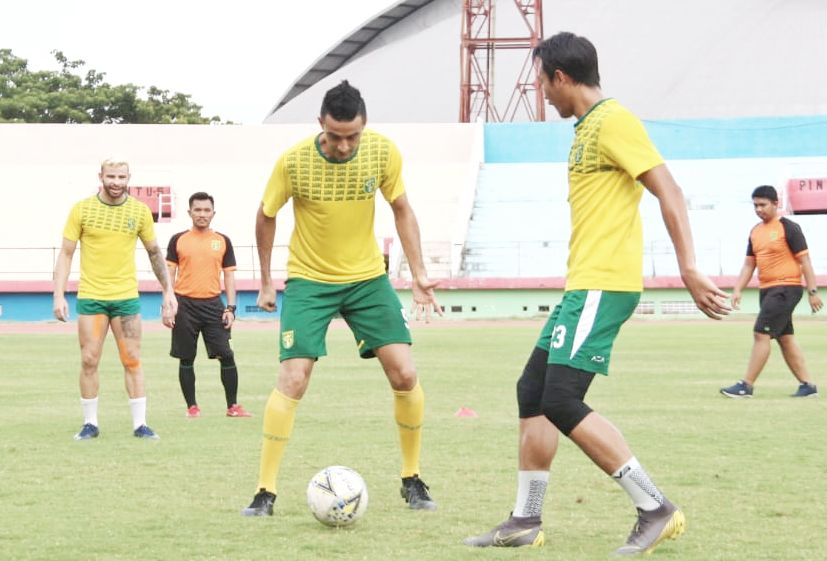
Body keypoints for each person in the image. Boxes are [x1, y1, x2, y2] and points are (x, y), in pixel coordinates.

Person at [463, 32, 731, 556]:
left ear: (561, 77)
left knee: (562, 400)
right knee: (532, 391)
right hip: (582, 284)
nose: (541, 93)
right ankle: (524, 519)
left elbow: (669, 189)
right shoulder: (586, 129)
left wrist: (690, 268)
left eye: (542, 81)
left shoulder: (615, 121)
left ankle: (655, 507)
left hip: (602, 284)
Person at [241, 80, 442, 517]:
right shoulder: (293, 162)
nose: (345, 145)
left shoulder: (383, 152)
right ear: (321, 125)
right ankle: (265, 492)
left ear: (364, 126)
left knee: (405, 374)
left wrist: (418, 273)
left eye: (353, 135)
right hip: (310, 280)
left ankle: (412, 479)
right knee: (293, 378)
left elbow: (402, 209)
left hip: (368, 278)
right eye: (335, 136)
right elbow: (266, 216)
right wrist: (266, 280)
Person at [53, 158, 178, 441]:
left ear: (128, 177)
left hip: (126, 299)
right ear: (101, 176)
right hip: (91, 297)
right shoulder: (82, 209)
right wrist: (58, 294)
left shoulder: (140, 211)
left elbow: (155, 252)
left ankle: (140, 425)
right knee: (88, 359)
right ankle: (90, 424)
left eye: (121, 177)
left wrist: (168, 290)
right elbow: (67, 253)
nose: (116, 182)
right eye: (111, 176)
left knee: (132, 359)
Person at [720, 185, 822, 399]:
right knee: (785, 337)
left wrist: (813, 291)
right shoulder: (755, 231)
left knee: (761, 333)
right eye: (755, 205)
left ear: (776, 203)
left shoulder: (788, 227)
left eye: (763, 205)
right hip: (767, 290)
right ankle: (807, 386)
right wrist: (738, 289)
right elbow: (749, 265)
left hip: (786, 288)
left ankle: (746, 385)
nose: (759, 209)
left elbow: (805, 261)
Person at [166, 192, 252, 418]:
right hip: (184, 304)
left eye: (206, 210)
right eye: (197, 210)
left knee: (226, 354)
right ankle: (192, 407)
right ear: (189, 212)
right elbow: (169, 274)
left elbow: (229, 277)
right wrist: (168, 304)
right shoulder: (178, 240)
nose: (202, 214)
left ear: (213, 213)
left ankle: (232, 406)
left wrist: (231, 308)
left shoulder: (222, 241)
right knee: (186, 357)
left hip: (214, 305)